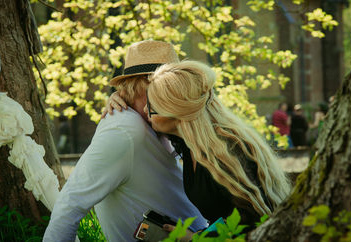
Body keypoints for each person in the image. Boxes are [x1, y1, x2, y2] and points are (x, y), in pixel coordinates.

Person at [43, 41, 207, 242]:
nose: (170, 100)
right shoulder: (125, 131)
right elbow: (69, 204)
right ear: (139, 88)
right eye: (162, 91)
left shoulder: (161, 122)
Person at [107, 60, 291, 237]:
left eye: (153, 106)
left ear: (176, 112)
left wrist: (197, 239)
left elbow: (252, 221)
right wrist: (120, 98)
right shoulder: (186, 143)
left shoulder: (228, 151)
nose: (146, 110)